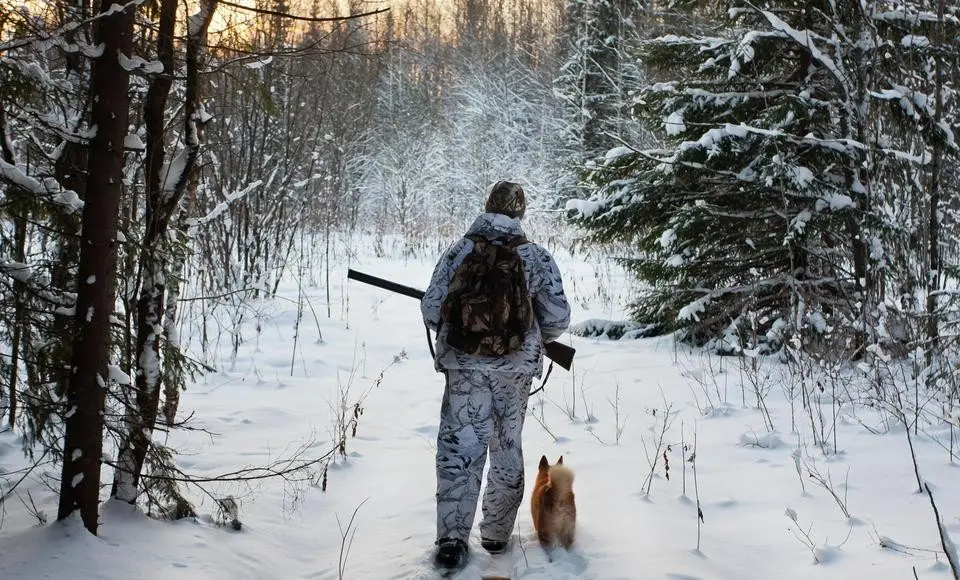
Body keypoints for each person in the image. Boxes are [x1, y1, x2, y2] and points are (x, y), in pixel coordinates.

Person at [420, 180, 571, 569]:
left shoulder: (458, 251)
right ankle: (497, 536)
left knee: (459, 451)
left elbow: (432, 308)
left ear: (486, 206)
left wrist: (466, 335)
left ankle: (452, 541)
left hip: (464, 369)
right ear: (520, 213)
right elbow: (559, 316)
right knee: (506, 447)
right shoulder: (535, 257)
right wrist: (530, 338)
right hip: (514, 372)